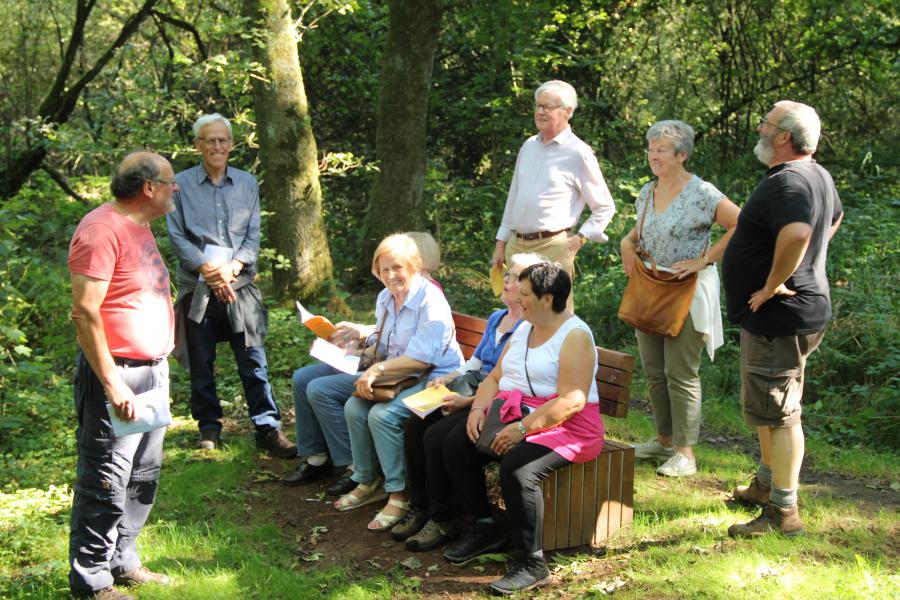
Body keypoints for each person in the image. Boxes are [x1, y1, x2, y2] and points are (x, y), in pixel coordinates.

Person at [442, 263, 604, 595]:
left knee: (518, 469)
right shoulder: (524, 327)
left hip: (571, 425)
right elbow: (496, 377)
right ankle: (484, 526)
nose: (518, 297)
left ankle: (532, 563)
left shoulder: (575, 335)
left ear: (547, 299)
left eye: (525, 293)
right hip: (523, 413)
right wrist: (477, 409)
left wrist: (521, 428)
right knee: (457, 443)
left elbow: (573, 400)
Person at [722, 101, 843, 537]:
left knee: (780, 413)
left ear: (783, 137)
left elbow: (798, 233)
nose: (760, 127)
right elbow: (835, 218)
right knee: (769, 406)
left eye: (766, 123)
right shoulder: (816, 174)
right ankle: (766, 485)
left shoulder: (791, 180)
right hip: (788, 316)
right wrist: (807, 264)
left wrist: (776, 280)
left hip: (781, 316)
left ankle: (782, 513)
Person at [287, 234, 463, 532]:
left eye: (398, 267)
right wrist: (358, 350)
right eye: (384, 270)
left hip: (439, 382)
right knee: (355, 407)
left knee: (382, 416)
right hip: (399, 376)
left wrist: (376, 369)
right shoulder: (386, 298)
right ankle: (367, 479)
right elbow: (386, 345)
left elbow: (421, 361)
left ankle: (399, 493)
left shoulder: (431, 301)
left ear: (415, 266)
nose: (391, 275)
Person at [67, 152, 177, 600]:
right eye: (171, 182)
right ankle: (92, 582)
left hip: (152, 370)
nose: (176, 190)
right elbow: (85, 311)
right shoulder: (100, 230)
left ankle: (122, 558)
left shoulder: (140, 224)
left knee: (142, 474)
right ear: (148, 188)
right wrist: (112, 382)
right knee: (106, 479)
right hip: (119, 374)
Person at [392, 253, 546, 552]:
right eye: (508, 275)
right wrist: (450, 378)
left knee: (440, 437)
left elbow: (511, 380)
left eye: (514, 277)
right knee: (415, 425)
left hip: (498, 399)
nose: (507, 281)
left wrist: (469, 401)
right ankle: (422, 506)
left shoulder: (528, 327)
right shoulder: (497, 318)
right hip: (476, 389)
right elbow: (475, 363)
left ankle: (447, 518)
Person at [167, 113, 295, 457]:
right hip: (198, 289)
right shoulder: (179, 184)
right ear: (198, 145)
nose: (218, 146)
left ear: (232, 145)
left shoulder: (248, 183)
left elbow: (252, 235)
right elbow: (176, 235)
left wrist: (233, 267)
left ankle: (267, 428)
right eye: (210, 140)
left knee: (254, 360)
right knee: (201, 362)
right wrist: (208, 270)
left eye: (223, 140)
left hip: (241, 286)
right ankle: (208, 428)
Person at [620, 120, 741, 477]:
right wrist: (627, 243)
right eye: (651, 149)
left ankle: (685, 453)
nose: (653, 155)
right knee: (655, 372)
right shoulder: (647, 191)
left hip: (687, 292)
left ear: (682, 155)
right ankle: (663, 441)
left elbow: (741, 223)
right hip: (650, 290)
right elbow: (636, 234)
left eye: (661, 150)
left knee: (680, 372)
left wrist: (705, 258)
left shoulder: (702, 193)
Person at [491, 80, 616, 309]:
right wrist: (501, 243)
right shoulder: (528, 146)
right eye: (538, 106)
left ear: (568, 112)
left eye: (547, 107)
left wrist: (578, 240)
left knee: (554, 317)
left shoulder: (578, 152)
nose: (540, 111)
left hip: (552, 246)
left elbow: (605, 207)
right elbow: (513, 198)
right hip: (516, 245)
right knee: (516, 314)